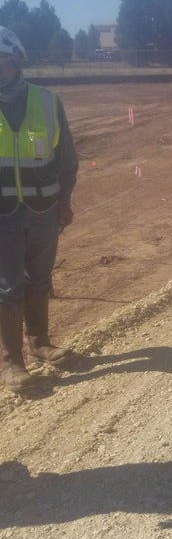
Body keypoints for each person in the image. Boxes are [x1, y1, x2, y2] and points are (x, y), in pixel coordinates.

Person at [0, 27, 78, 394]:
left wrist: (64, 202)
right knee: (6, 288)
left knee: (39, 280)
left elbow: (67, 159)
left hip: (44, 211)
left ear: (17, 59)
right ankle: (13, 361)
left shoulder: (47, 102)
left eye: (2, 57)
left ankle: (40, 342)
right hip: (3, 217)